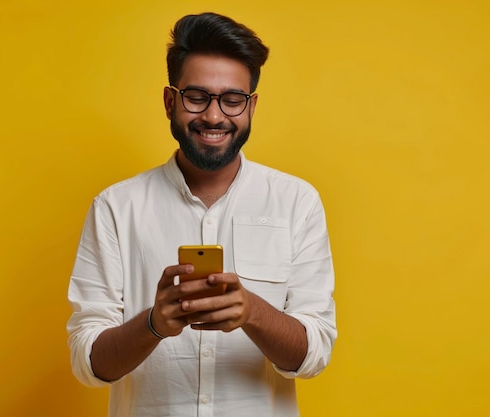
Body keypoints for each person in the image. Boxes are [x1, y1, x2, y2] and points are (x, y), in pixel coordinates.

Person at [67, 12, 336, 417]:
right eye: (197, 97)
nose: (214, 116)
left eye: (232, 100)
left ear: (251, 106)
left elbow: (314, 353)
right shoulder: (115, 208)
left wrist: (252, 311)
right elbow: (88, 363)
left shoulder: (297, 202)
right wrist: (154, 324)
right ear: (170, 101)